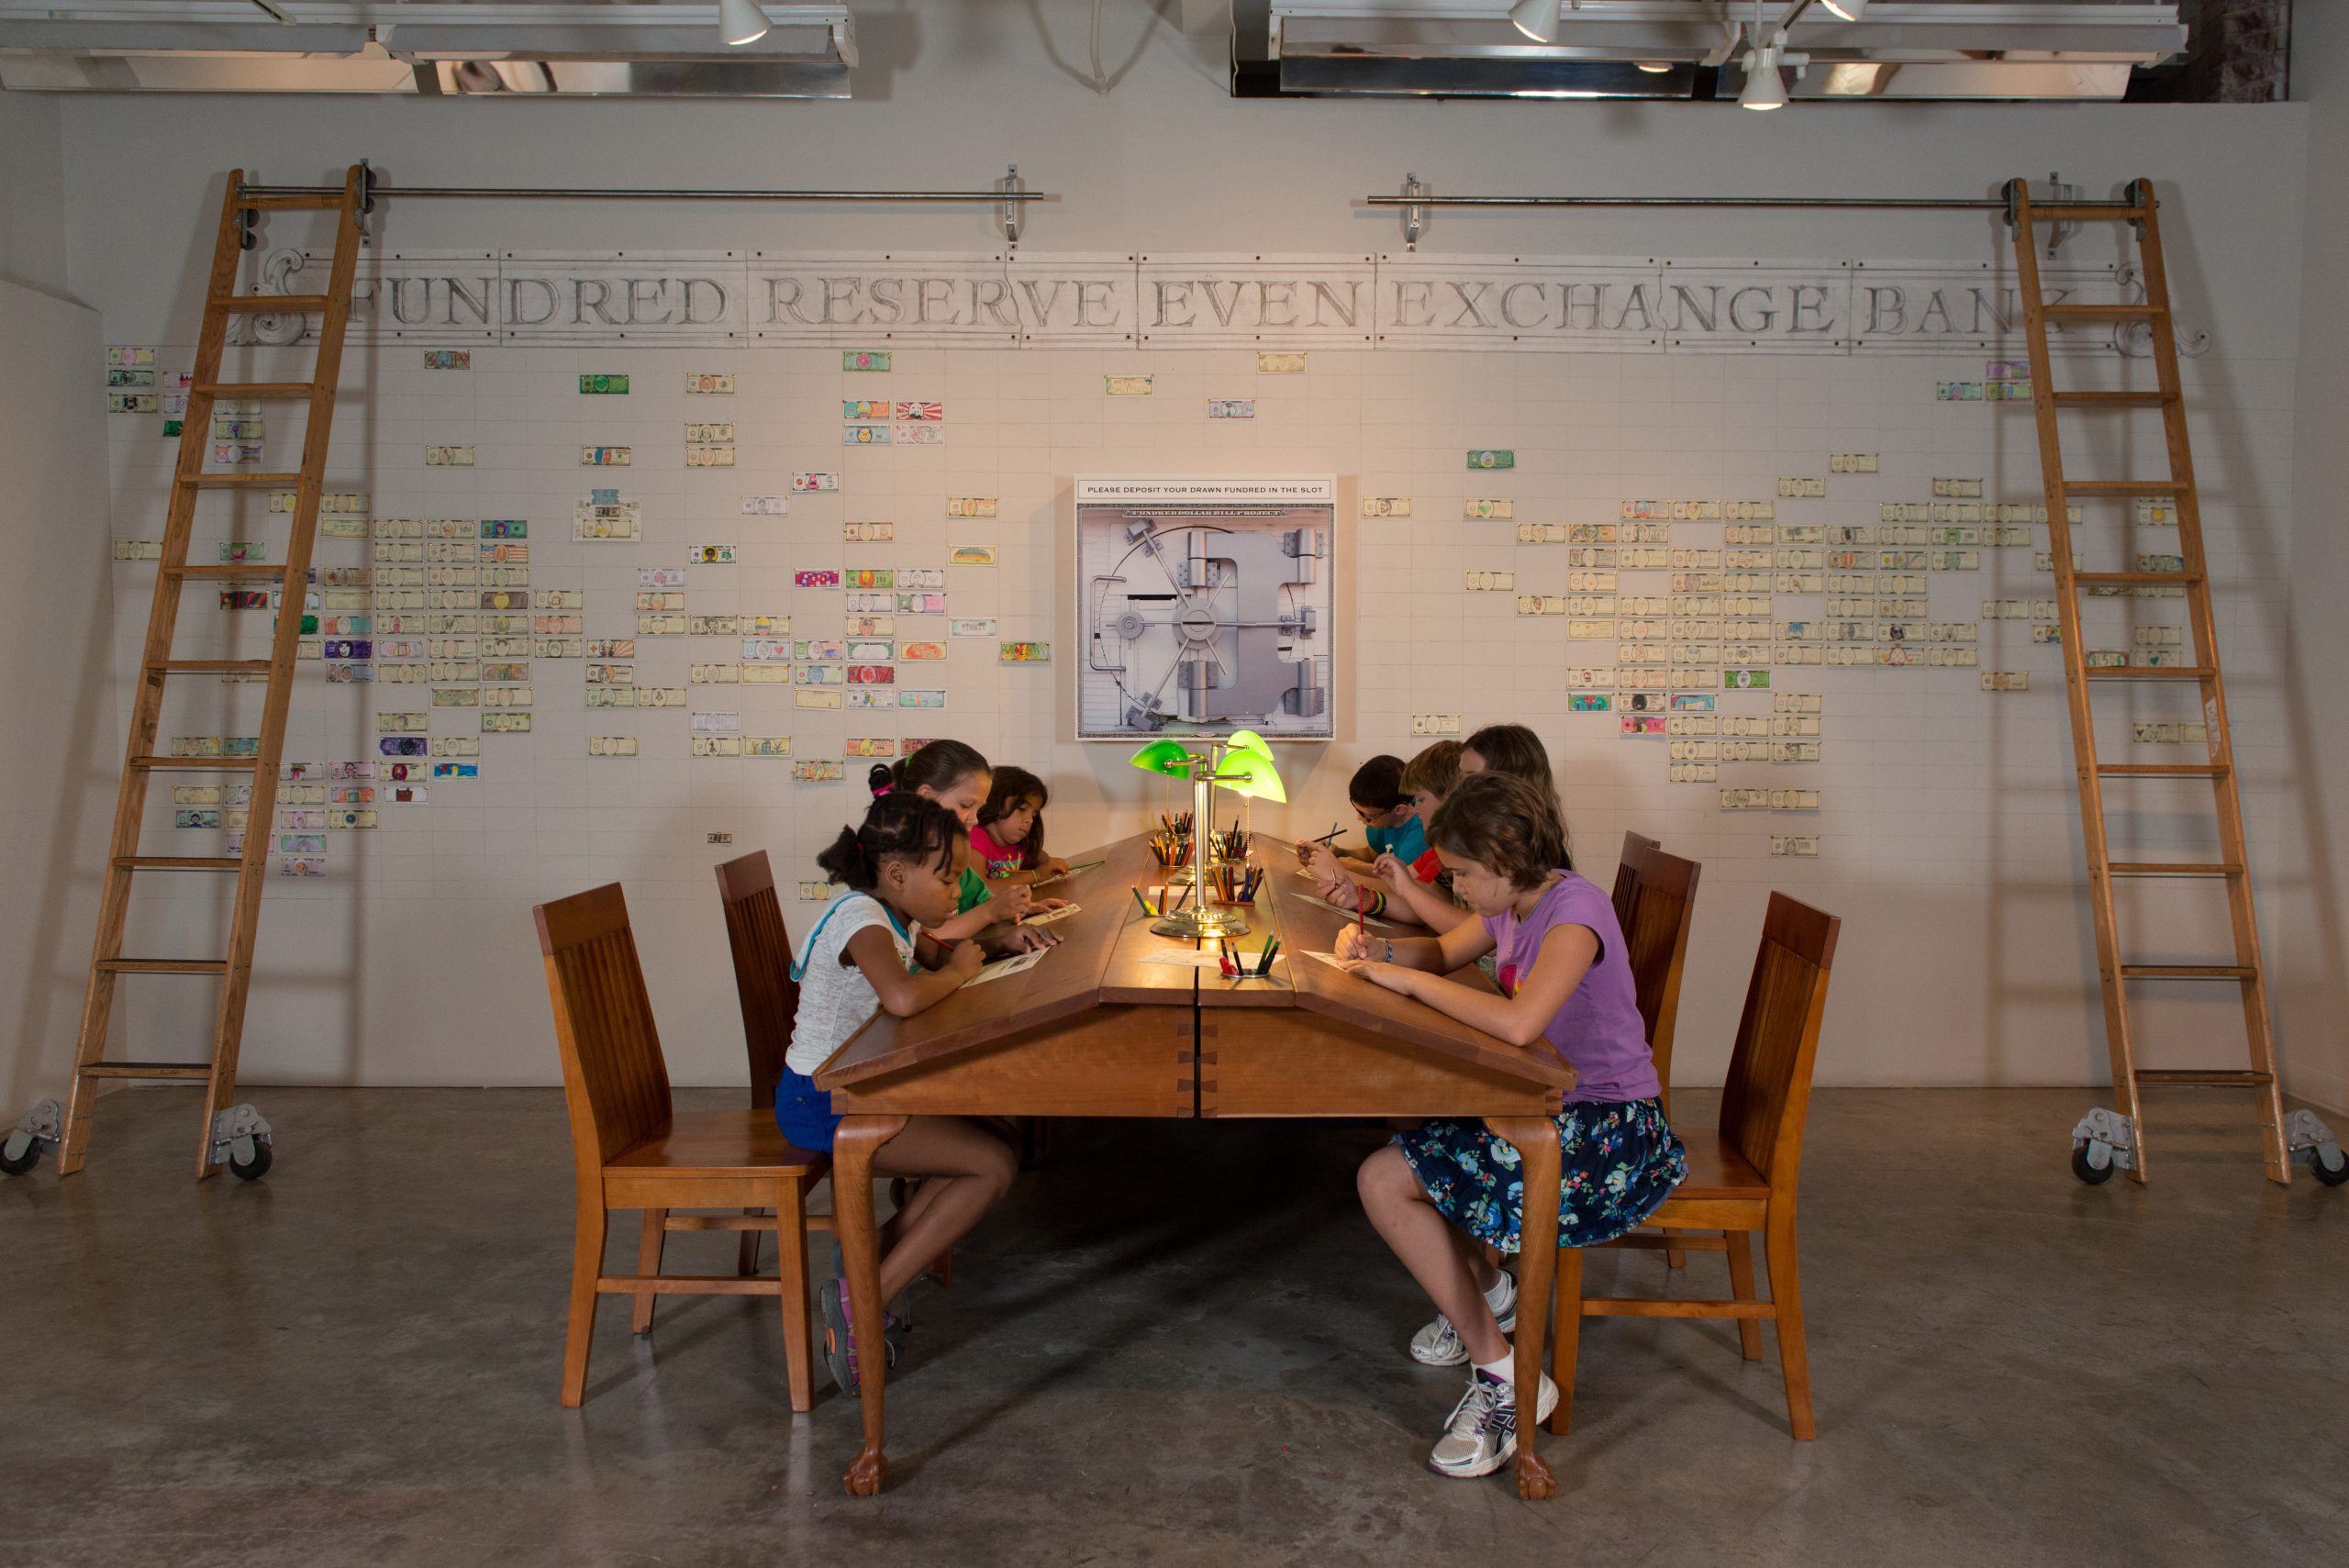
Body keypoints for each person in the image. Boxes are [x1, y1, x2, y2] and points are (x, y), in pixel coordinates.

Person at [1340, 773, 1687, 1479]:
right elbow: (1439, 952)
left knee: (1386, 1175)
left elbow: (1521, 1022)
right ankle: (1494, 1346)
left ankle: (1500, 1374)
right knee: (1396, 1155)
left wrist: (1405, 983)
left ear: (1502, 861)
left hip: (1609, 1133)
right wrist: (1373, 954)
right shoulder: (1515, 901)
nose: (1457, 889)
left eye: (1464, 873)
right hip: (1553, 1105)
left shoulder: (1573, 909)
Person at [777, 793, 1021, 1393]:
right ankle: (867, 1297)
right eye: (946, 877)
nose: (955, 890)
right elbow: (906, 997)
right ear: (895, 873)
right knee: (990, 1166)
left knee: (994, 1136)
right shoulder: (859, 918)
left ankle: (863, 1267)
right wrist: (961, 971)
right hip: (821, 1101)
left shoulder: (893, 915)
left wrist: (995, 947)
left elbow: (937, 959)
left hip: (860, 1087)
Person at [871, 741, 1059, 947]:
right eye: (966, 806)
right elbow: (926, 943)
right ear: (926, 797)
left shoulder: (954, 859)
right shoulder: (900, 869)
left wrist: (1017, 907)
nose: (975, 820)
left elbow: (984, 901)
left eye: (979, 809)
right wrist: (990, 913)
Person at [1301, 740, 1464, 930]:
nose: (1415, 808)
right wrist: (1358, 896)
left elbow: (1463, 929)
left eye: (1420, 799)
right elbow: (1417, 897)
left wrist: (1341, 872)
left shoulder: (1426, 838)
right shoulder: (1439, 850)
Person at [970, 765, 1070, 884]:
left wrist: (1046, 862)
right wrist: (1037, 875)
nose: (1030, 820)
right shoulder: (975, 837)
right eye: (1022, 808)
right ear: (994, 802)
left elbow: (1037, 855)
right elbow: (978, 893)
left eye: (1034, 814)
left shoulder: (1017, 845)